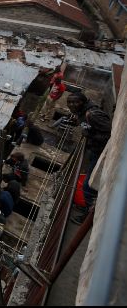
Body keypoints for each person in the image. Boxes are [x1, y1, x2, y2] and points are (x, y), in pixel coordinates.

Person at [67, 91, 112, 224]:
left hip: (101, 152)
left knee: (88, 186)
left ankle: (88, 215)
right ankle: (88, 207)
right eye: (69, 102)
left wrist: (89, 135)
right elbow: (86, 125)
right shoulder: (81, 113)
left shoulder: (92, 114)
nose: (71, 105)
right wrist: (76, 123)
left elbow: (110, 134)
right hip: (94, 150)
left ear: (82, 102)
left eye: (75, 102)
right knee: (89, 183)